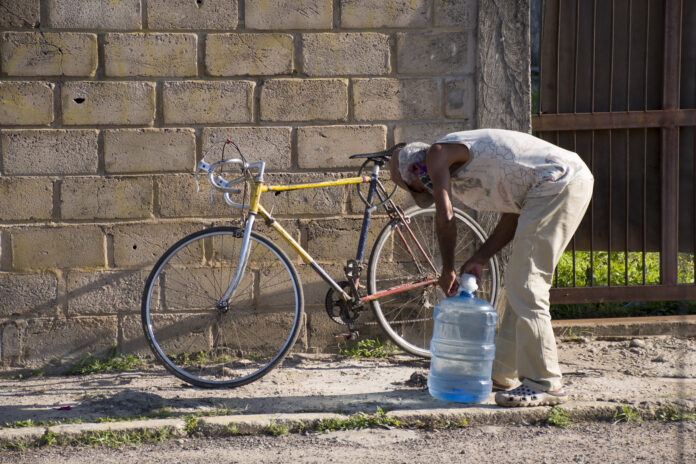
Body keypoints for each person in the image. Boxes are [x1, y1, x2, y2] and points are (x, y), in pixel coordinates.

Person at [389, 129, 594, 407]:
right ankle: (501, 373)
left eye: (417, 187)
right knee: (519, 283)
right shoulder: (474, 173)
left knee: (527, 283)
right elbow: (513, 213)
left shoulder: (437, 153)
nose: (425, 190)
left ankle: (545, 383)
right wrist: (480, 257)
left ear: (415, 168)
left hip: (558, 181)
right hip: (553, 184)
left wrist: (447, 268)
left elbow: (445, 216)